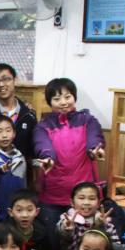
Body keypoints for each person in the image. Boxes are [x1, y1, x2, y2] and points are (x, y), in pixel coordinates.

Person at [33, 78, 105, 229]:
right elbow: (42, 144)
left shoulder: (88, 120)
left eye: (67, 97)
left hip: (84, 196)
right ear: (49, 102)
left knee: (83, 238)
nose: (63, 102)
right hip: (53, 195)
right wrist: (47, 158)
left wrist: (95, 149)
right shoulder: (43, 126)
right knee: (53, 237)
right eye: (57, 99)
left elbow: (94, 137)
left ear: (74, 97)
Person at [0, 63, 38, 159]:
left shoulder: (29, 116)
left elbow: (32, 150)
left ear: (15, 80)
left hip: (20, 167)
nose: (1, 84)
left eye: (6, 79)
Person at [56, 181, 119, 250]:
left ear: (98, 203)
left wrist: (101, 226)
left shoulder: (103, 220)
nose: (86, 202)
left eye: (92, 198)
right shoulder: (69, 219)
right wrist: (67, 229)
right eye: (81, 198)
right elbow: (63, 232)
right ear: (72, 202)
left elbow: (115, 246)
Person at [0, 116, 27, 220]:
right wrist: (0, 166)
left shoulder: (19, 156)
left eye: (8, 131)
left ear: (14, 133)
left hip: (17, 211)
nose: (4, 135)